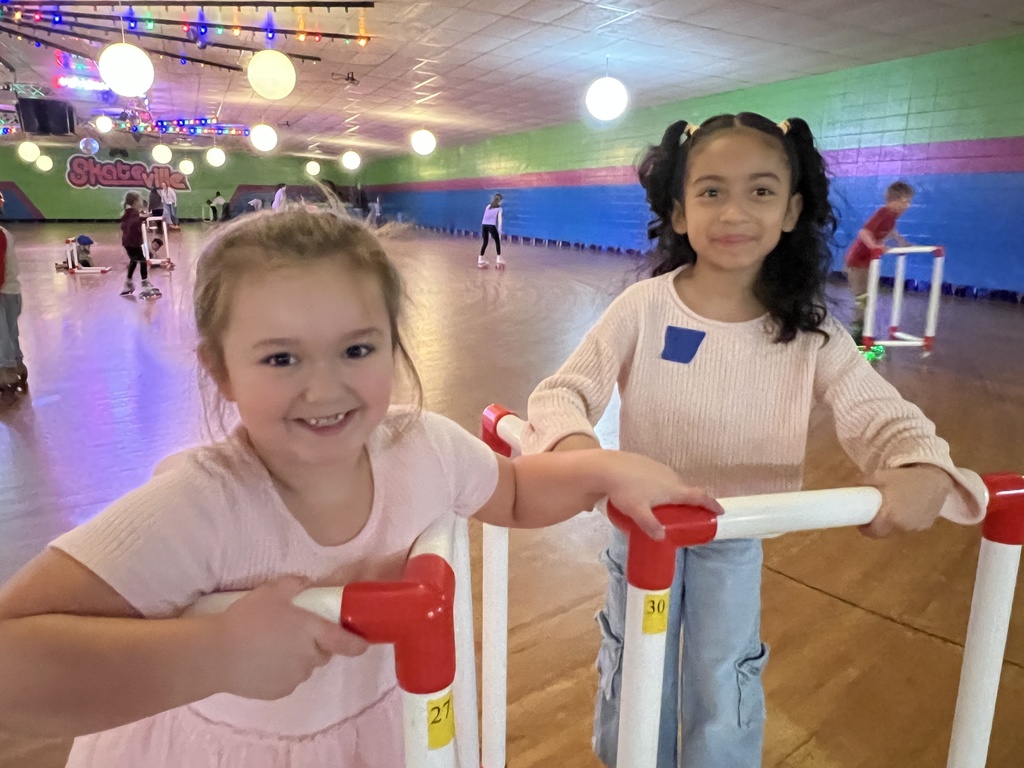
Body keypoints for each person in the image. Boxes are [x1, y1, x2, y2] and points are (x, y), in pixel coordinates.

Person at [0, 207, 720, 767]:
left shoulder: (422, 447)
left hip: (382, 734)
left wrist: (604, 468)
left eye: (357, 349)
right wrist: (213, 653)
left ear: (393, 346)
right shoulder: (201, 505)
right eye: (281, 358)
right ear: (221, 372)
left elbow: (518, 494)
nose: (325, 386)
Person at [522, 114, 986, 768]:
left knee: (724, 669)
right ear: (679, 212)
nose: (734, 210)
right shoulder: (644, 308)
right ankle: (628, 757)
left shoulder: (811, 330)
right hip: (642, 530)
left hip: (733, 536)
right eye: (711, 191)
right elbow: (562, 392)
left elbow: (877, 409)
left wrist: (915, 462)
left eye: (761, 191)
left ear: (792, 209)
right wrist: (579, 453)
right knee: (633, 657)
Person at [843, 181, 914, 343]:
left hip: (868, 264)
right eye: (905, 201)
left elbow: (890, 231)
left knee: (868, 297)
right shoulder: (884, 212)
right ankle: (858, 332)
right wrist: (874, 246)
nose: (908, 206)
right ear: (894, 200)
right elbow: (864, 232)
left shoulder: (892, 217)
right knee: (863, 298)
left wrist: (902, 242)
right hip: (856, 263)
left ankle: (864, 331)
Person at [0, 190, 26, 404]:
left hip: (4, 292)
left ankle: (7, 374)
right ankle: (18, 366)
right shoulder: (3, 232)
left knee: (3, 336)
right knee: (9, 333)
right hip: (11, 291)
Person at [119, 191, 158, 298]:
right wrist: (143, 218)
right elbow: (133, 223)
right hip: (133, 242)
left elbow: (126, 225)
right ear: (135, 201)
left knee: (134, 260)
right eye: (140, 199)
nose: (142, 201)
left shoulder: (128, 212)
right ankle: (144, 283)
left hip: (128, 242)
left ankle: (128, 283)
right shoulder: (133, 212)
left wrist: (142, 217)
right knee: (143, 260)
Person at [478, 193, 504, 269]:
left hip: (484, 225)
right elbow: (499, 221)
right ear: (499, 201)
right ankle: (498, 258)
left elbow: (485, 217)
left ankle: (480, 259)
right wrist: (499, 231)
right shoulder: (499, 209)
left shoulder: (488, 206)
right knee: (497, 241)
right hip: (491, 225)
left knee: (485, 242)